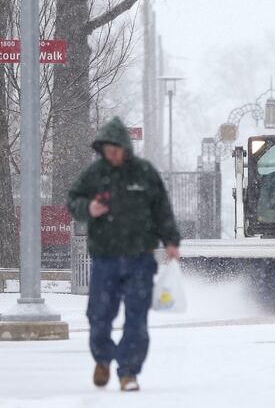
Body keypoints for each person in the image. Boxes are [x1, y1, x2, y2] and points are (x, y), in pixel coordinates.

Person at [67, 117, 180, 392]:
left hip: (140, 258)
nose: (111, 154)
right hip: (105, 257)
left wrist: (171, 241)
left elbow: (161, 208)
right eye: (107, 149)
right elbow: (73, 199)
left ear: (125, 148)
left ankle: (128, 371)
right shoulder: (95, 174)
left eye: (115, 149)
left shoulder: (144, 173)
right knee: (99, 314)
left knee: (136, 316)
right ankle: (103, 359)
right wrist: (88, 208)